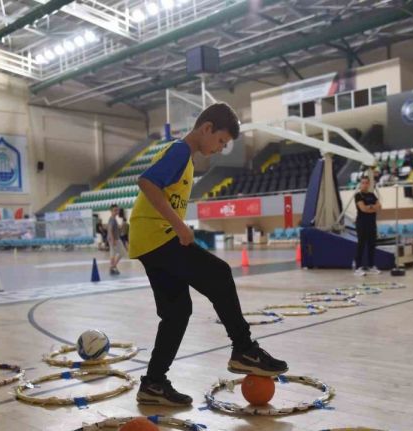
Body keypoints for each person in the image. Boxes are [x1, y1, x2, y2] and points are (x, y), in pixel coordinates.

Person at [129, 103, 287, 406]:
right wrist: (179, 226)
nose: (220, 148)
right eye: (221, 141)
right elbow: (146, 182)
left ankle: (153, 383)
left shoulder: (183, 157)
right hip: (156, 236)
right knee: (219, 273)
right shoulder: (179, 151)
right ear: (206, 129)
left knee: (176, 313)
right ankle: (244, 348)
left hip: (148, 240)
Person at [354, 176, 382, 276]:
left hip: (371, 223)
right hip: (362, 223)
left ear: (369, 184)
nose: (365, 185)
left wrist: (369, 207)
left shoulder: (372, 195)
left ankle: (371, 266)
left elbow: (379, 207)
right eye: (363, 183)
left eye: (366, 183)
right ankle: (358, 267)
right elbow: (363, 209)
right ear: (360, 184)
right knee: (361, 244)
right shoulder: (358, 195)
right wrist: (372, 207)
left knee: (372, 244)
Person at [107, 204, 127, 275]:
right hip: (115, 239)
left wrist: (120, 226)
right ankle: (113, 267)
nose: (117, 212)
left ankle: (112, 267)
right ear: (111, 211)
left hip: (114, 239)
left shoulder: (113, 219)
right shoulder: (112, 219)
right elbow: (110, 230)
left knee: (113, 254)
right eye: (115, 210)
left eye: (117, 210)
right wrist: (113, 240)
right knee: (122, 253)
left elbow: (115, 229)